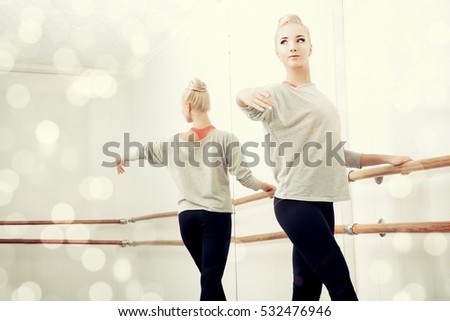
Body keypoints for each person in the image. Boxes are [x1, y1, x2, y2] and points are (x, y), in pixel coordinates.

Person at [235, 14, 411, 301]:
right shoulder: (274, 93)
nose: (293, 46)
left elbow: (336, 153)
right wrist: (243, 93)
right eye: (284, 41)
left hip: (322, 203)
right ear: (277, 52)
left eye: (299, 39)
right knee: (342, 287)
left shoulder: (320, 97)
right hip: (295, 203)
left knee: (306, 294)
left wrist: (387, 158)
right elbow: (247, 104)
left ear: (310, 48)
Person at [116, 78, 275, 301]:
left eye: (182, 107)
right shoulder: (225, 138)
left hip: (187, 219)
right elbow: (244, 177)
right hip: (216, 218)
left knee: (209, 280)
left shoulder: (170, 143)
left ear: (188, 106)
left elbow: (143, 152)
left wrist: (122, 157)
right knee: (210, 280)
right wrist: (265, 186)